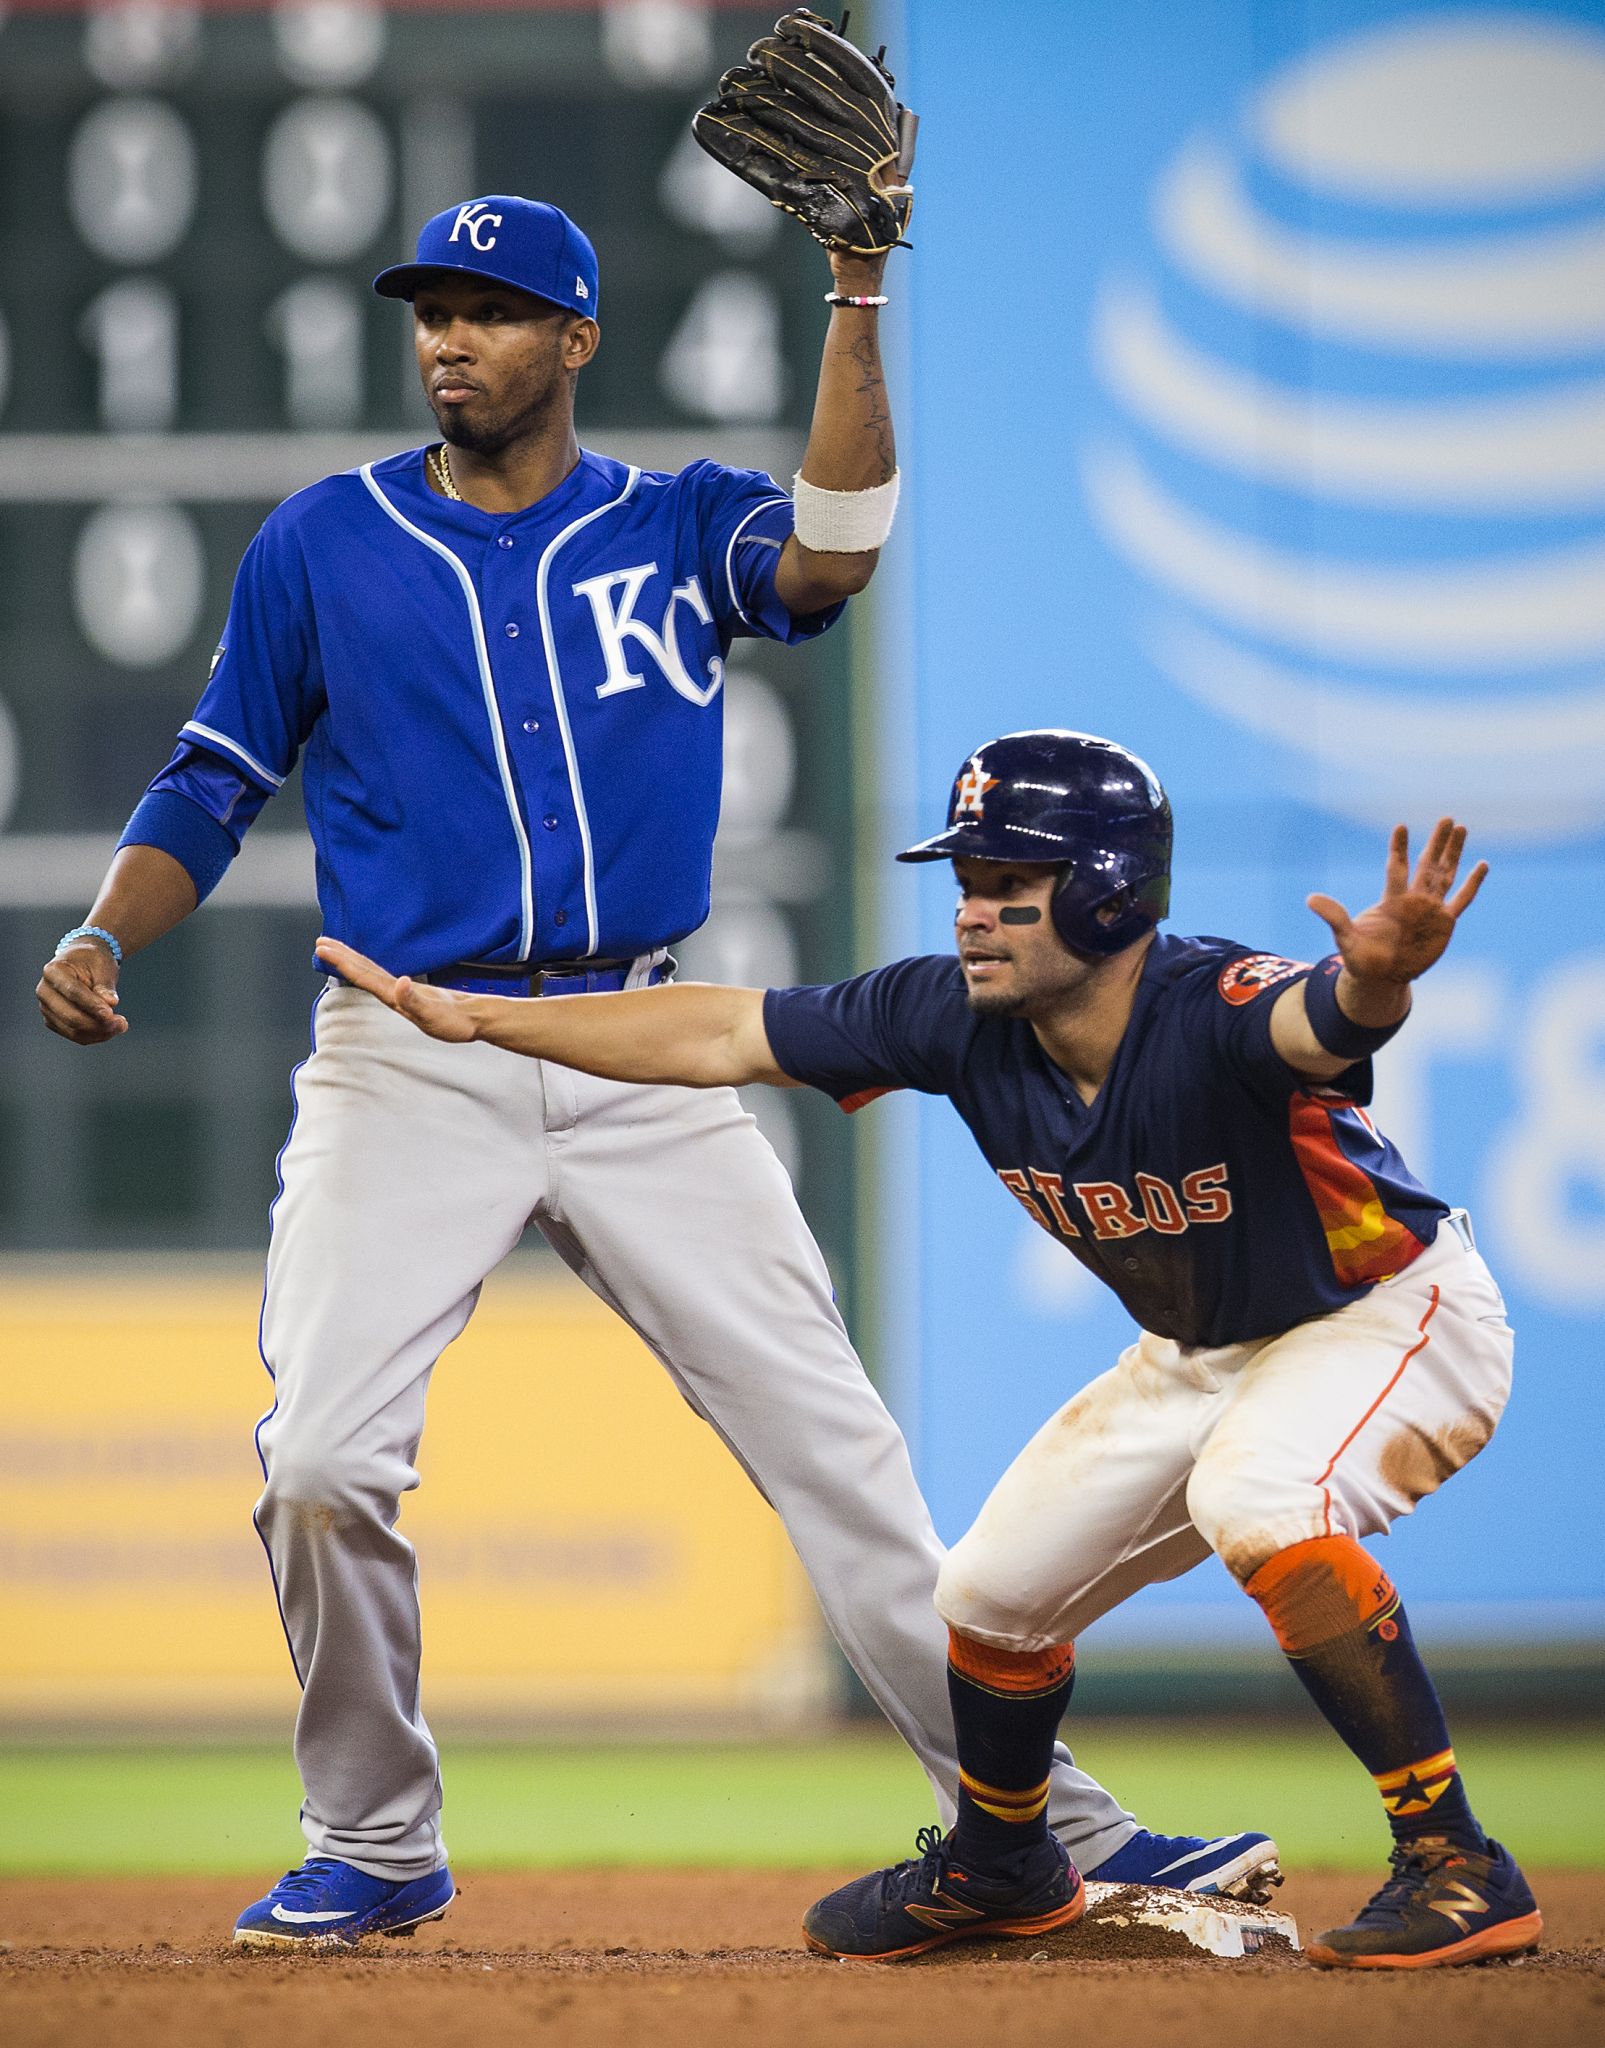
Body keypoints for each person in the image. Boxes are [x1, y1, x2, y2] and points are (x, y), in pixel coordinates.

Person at [34, 43, 1272, 1943]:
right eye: (434, 311)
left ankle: (1053, 1824)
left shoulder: (678, 521)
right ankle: (373, 1836)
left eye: (495, 312)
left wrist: (856, 292)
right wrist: (115, 925)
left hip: (639, 1040)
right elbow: (210, 774)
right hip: (407, 1052)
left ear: (578, 336)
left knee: (836, 1450)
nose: (452, 341)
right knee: (318, 1461)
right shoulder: (324, 545)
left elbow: (838, 555)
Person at [316, 726, 1542, 1972]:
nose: (975, 913)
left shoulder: (1208, 1006)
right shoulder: (953, 1019)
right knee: (990, 1601)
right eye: (964, 884)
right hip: (1200, 1350)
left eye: (1012, 883)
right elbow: (721, 1033)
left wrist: (1380, 981)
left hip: (1388, 1312)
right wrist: (486, 1021)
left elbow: (1317, 1022)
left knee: (1260, 1497)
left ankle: (1455, 1860)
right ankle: (1006, 1863)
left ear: (1110, 888)